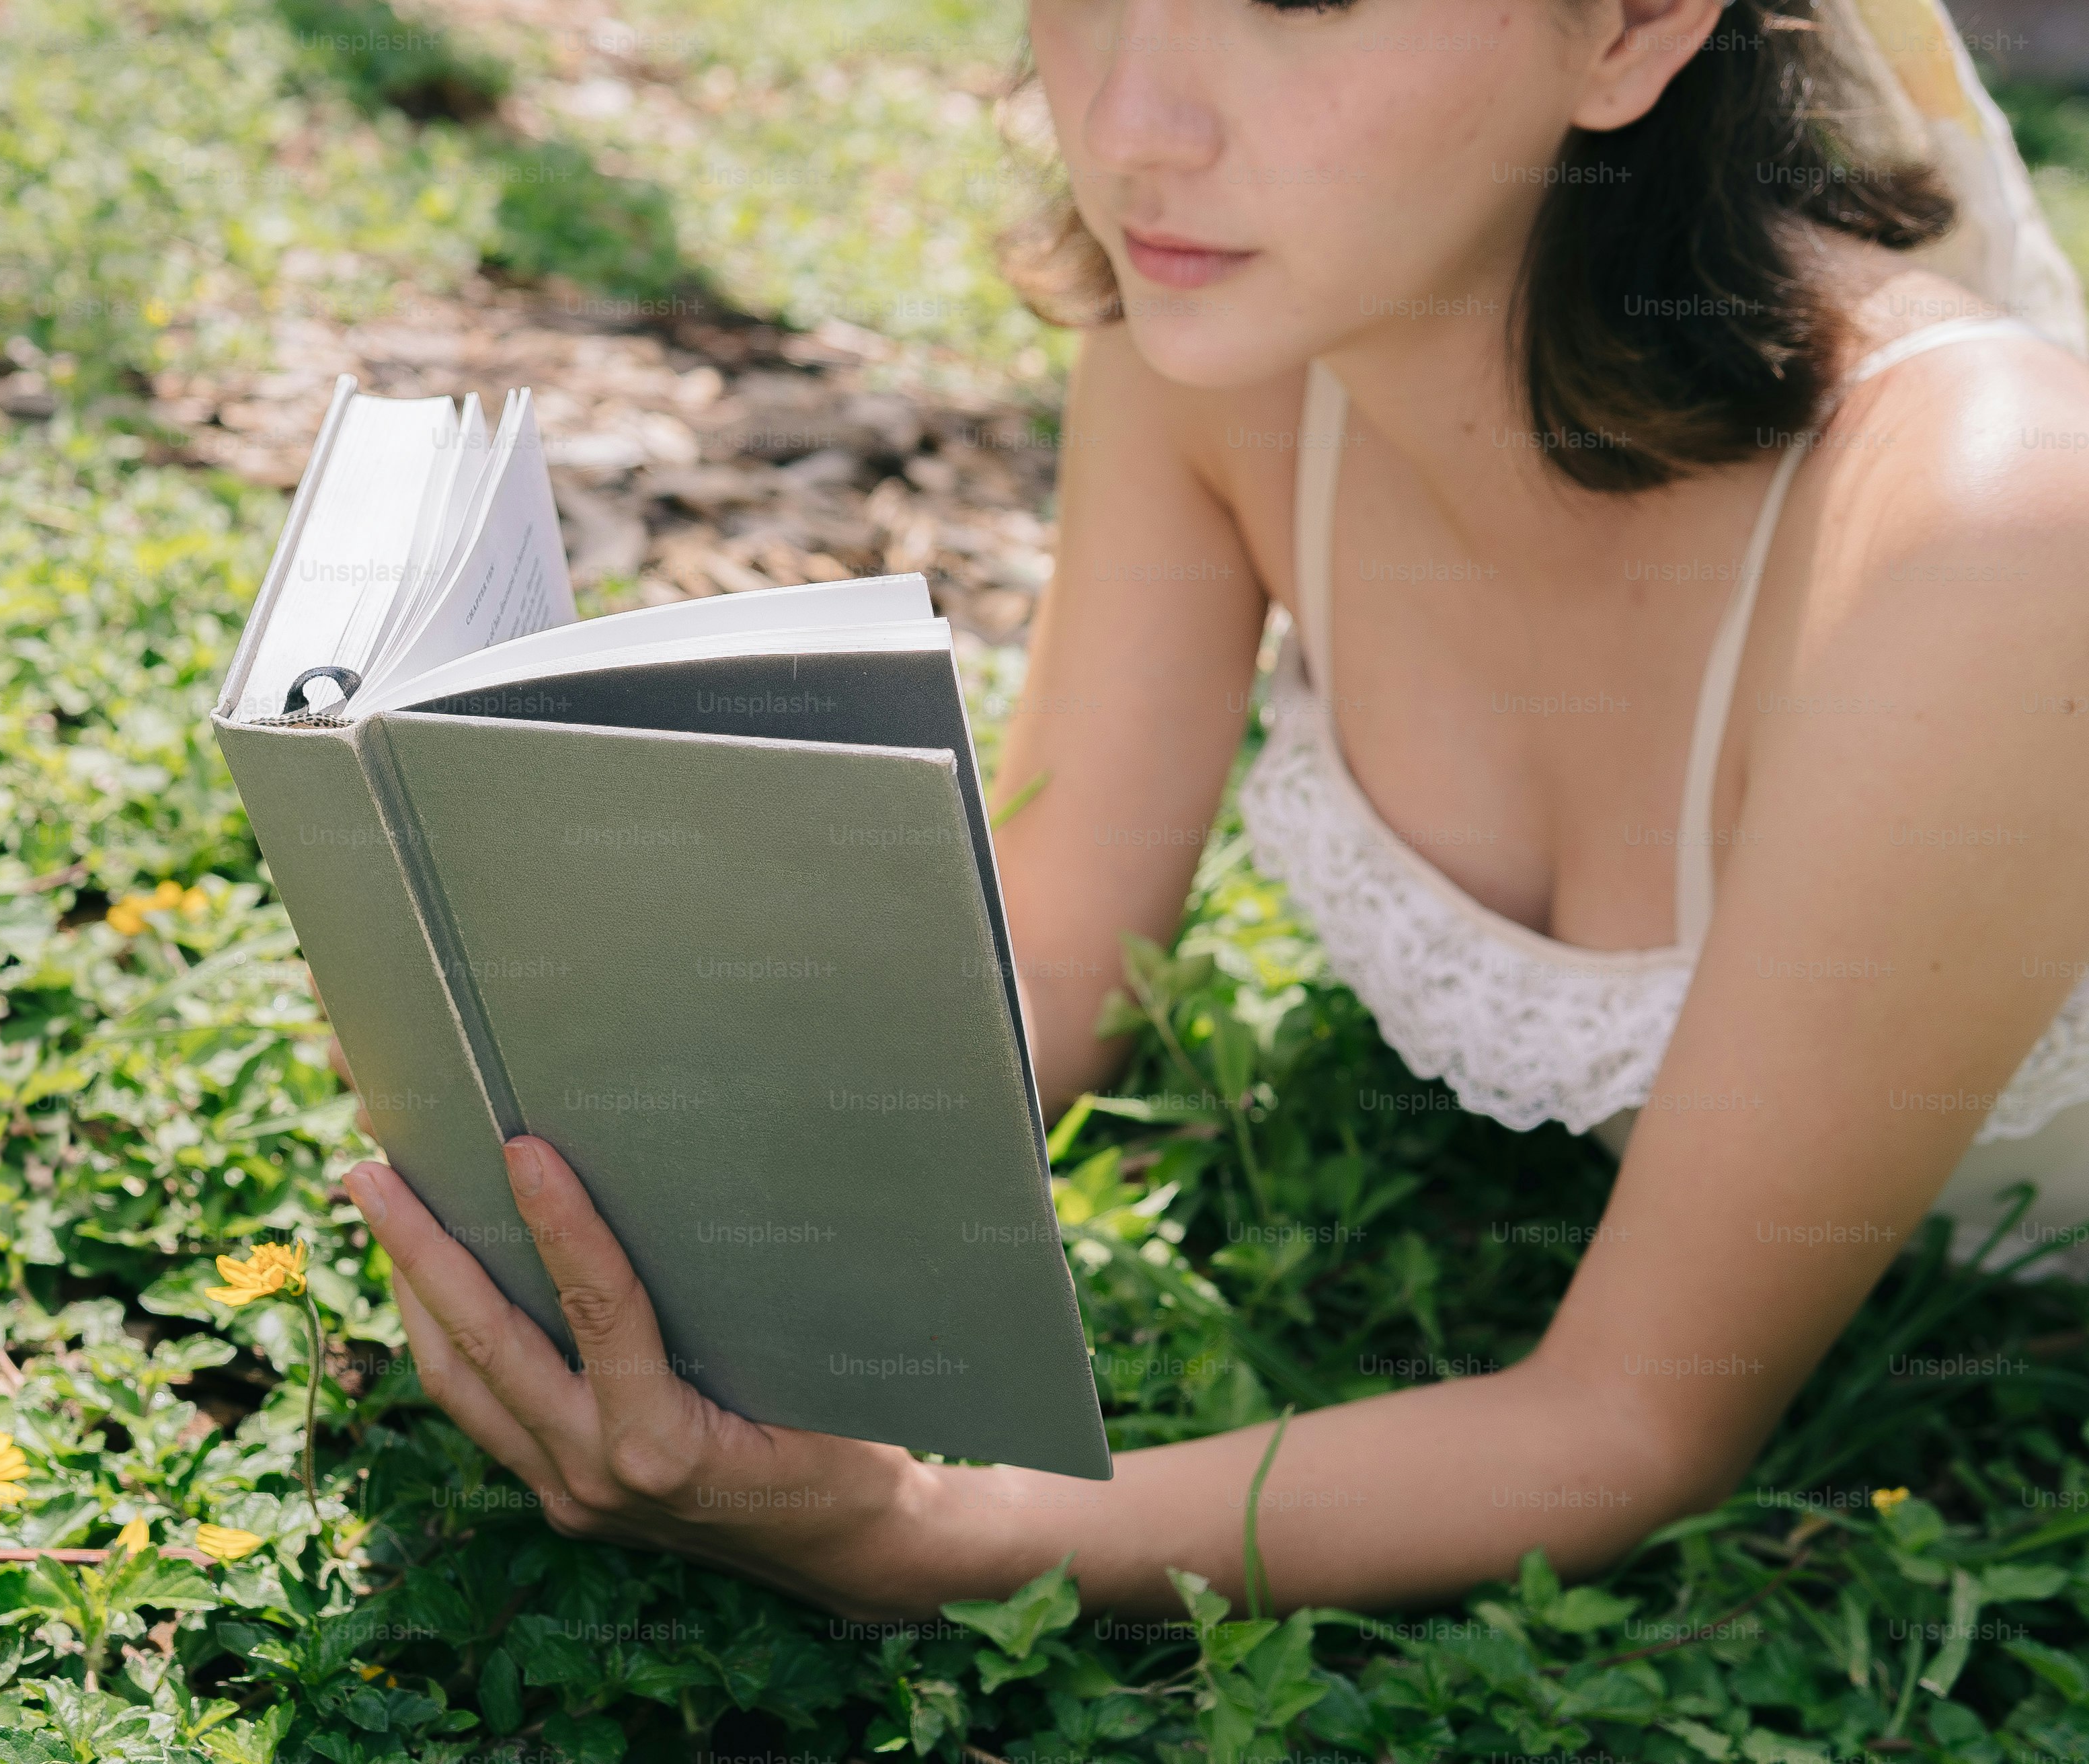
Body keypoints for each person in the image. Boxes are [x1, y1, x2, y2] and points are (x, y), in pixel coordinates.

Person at [326, 0, 2089, 1621]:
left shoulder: (1988, 537)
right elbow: (1063, 938)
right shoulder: (1233, 333)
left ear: (1629, 27)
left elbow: (1627, 1422)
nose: (1137, 126)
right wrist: (629, 1187)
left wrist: (919, 1537)